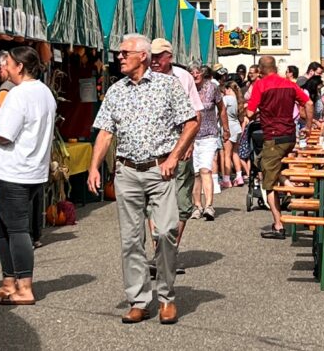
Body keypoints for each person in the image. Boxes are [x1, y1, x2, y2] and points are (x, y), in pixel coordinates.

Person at [88, 34, 199, 325]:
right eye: (119, 53)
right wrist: (94, 166)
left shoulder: (167, 85)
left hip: (159, 170)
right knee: (131, 240)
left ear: (144, 56)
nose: (119, 57)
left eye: (125, 53)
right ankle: (138, 300)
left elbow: (191, 121)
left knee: (164, 233)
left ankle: (166, 297)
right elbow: (105, 131)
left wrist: (175, 156)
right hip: (126, 171)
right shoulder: (116, 91)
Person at [0, 46, 56, 305]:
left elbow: (5, 134)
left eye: (10, 63)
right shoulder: (45, 92)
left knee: (16, 229)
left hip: (14, 169)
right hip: (32, 169)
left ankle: (24, 287)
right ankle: (8, 281)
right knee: (5, 227)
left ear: (20, 67)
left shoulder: (19, 94)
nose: (7, 68)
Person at [246, 55, 313, 240]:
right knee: (264, 164)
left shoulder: (260, 85)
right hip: (289, 135)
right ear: (275, 67)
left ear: (260, 69)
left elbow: (250, 113)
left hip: (273, 137)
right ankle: (289, 185)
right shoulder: (289, 84)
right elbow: (308, 102)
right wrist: (307, 126)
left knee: (268, 184)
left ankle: (278, 225)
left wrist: (254, 109)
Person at [149, 39, 203, 262]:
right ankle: (159, 253)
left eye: (158, 56)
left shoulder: (183, 77)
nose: (153, 61)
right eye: (151, 56)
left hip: (179, 148)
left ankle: (170, 252)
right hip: (152, 151)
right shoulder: (144, 77)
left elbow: (195, 114)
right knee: (154, 202)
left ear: (168, 56)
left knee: (181, 202)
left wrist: (189, 143)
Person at [190, 65, 228, 219]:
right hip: (191, 136)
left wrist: (226, 129)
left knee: (206, 169)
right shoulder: (187, 88)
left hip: (209, 135)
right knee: (195, 173)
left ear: (203, 74)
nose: (194, 75)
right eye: (191, 72)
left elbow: (222, 108)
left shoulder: (212, 88)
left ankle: (209, 206)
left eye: (197, 72)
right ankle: (197, 206)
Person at [222, 80, 246, 186]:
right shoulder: (238, 100)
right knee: (235, 153)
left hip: (229, 127)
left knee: (227, 154)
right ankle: (239, 176)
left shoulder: (226, 99)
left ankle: (227, 179)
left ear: (228, 89)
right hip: (237, 127)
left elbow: (220, 112)